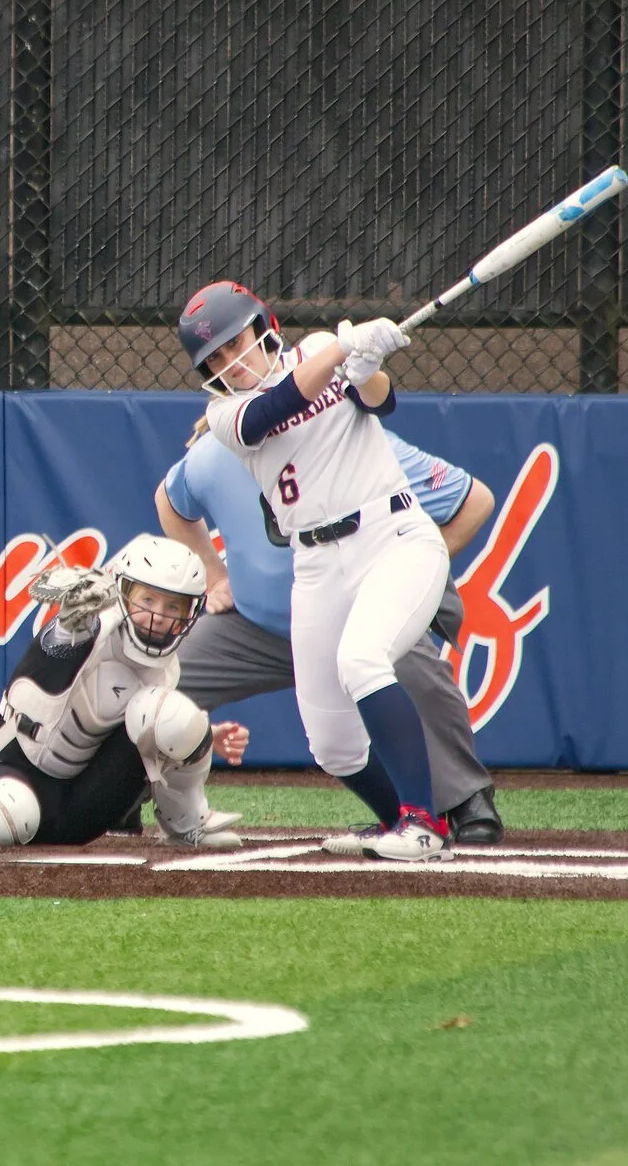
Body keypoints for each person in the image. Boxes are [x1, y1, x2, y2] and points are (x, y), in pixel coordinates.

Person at [177, 279, 452, 861]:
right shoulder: (226, 414)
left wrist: (366, 365)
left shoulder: (319, 350)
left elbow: (381, 401)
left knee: (362, 658)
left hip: (393, 536)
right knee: (331, 743)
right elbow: (278, 409)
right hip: (317, 563)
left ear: (262, 328)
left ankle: (425, 823)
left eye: (236, 343)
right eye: (217, 357)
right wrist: (343, 350)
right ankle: (396, 821)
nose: (232, 361)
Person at [155, 413, 505, 844]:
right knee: (163, 678)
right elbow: (169, 500)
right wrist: (212, 573)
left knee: (409, 673)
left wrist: (407, 570)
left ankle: (466, 799)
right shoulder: (215, 453)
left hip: (361, 609)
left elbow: (476, 500)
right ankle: (126, 794)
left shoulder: (354, 443)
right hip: (260, 625)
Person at [0, 536, 251, 850]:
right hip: (20, 768)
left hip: (85, 801)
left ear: (190, 612)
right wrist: (69, 624)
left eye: (172, 606)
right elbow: (57, 647)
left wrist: (196, 737)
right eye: (147, 599)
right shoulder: (89, 625)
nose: (157, 615)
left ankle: (186, 823)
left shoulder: (168, 666)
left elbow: (151, 723)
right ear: (123, 592)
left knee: (181, 718)